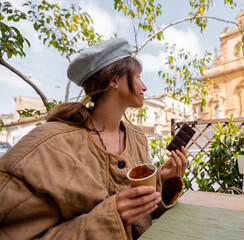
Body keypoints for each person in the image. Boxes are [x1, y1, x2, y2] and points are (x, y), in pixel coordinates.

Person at [0, 38, 188, 239]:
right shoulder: (48, 143)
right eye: (138, 77)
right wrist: (110, 218)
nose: (144, 87)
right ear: (114, 81)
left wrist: (163, 179)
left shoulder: (137, 138)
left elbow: (143, 215)